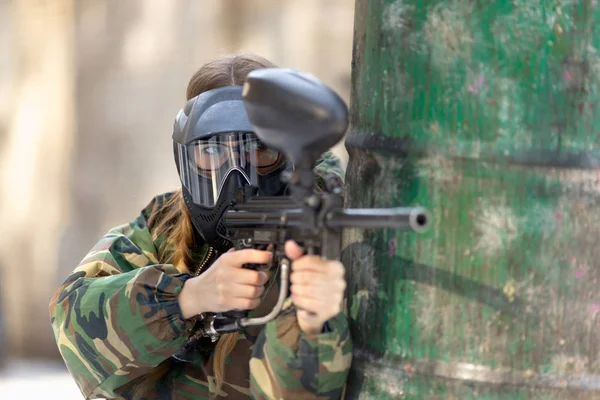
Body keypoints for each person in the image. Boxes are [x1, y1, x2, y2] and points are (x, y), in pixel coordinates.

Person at [49, 53, 352, 400]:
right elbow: (70, 321)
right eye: (212, 150)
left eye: (260, 148)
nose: (237, 175)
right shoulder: (166, 221)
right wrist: (189, 297)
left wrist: (314, 326)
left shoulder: (327, 232)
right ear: (187, 156)